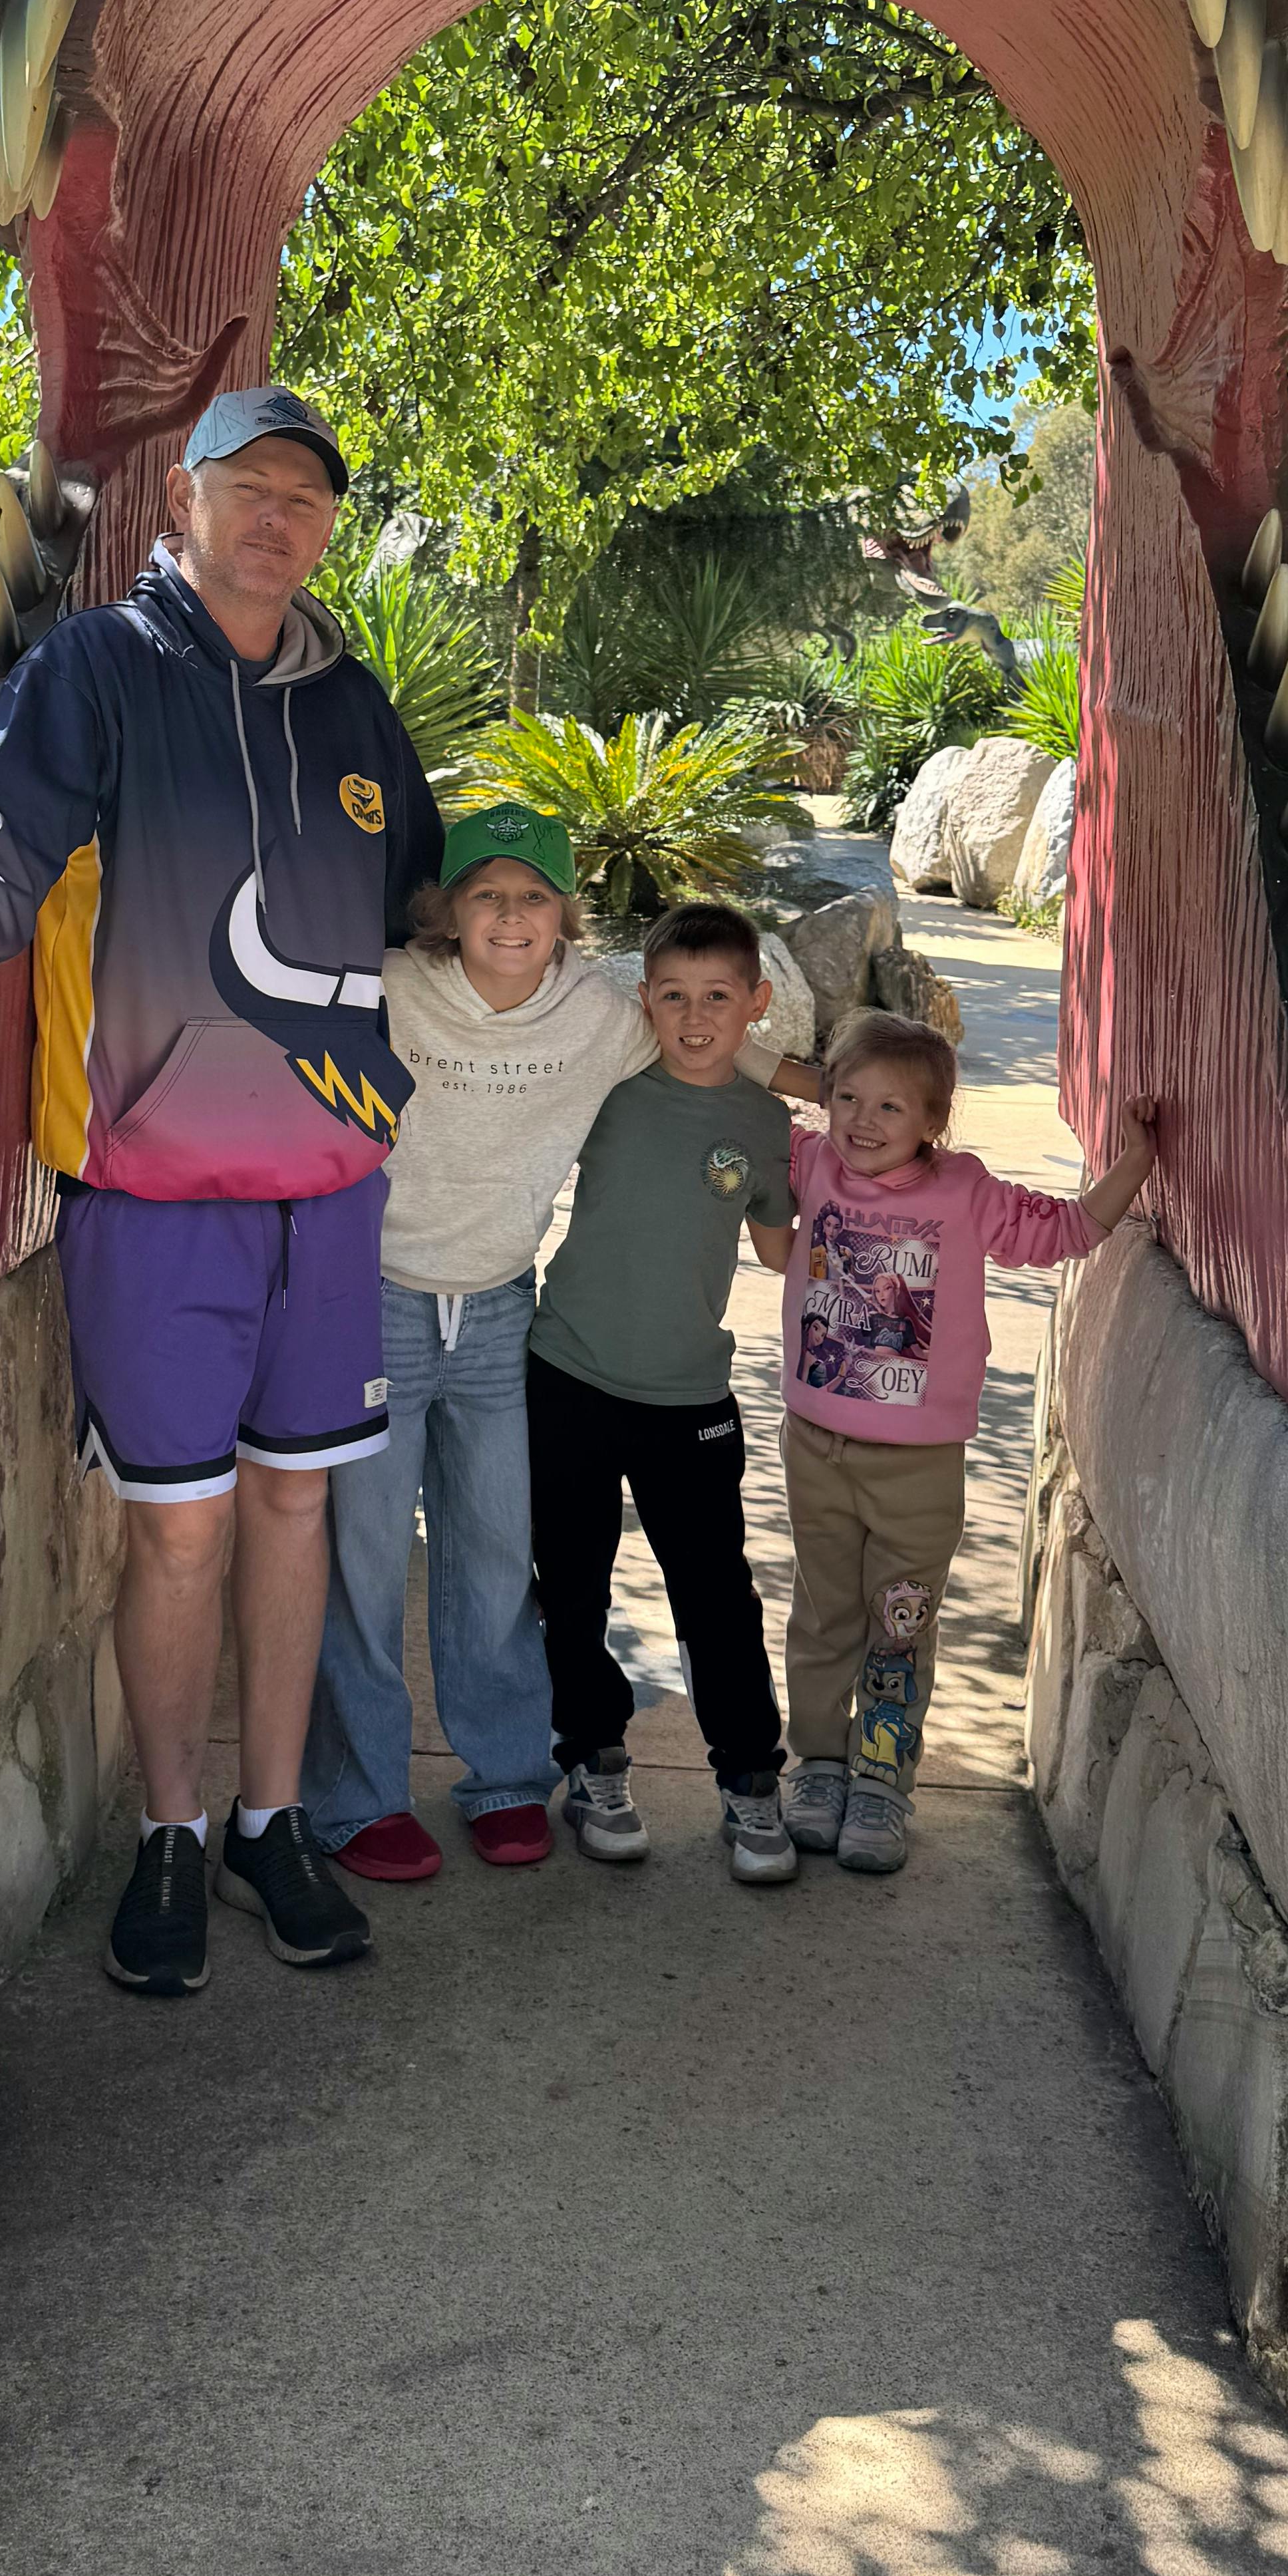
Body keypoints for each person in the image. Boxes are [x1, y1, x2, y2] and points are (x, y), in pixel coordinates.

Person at [0, 384, 437, 2003]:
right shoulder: (99, 671)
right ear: (182, 503)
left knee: (298, 1506)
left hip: (330, 1196)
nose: (278, 516)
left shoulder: (356, 705)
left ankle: (271, 1824)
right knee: (180, 1531)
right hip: (154, 1193)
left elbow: (421, 892)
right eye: (248, 485)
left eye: (307, 497)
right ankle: (170, 1833)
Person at [303, 808, 816, 1882]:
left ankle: (503, 1779)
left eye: (534, 896)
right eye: (487, 894)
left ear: (564, 915)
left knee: (498, 1557)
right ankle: (359, 1798)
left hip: (502, 1310)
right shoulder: (387, 986)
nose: (511, 916)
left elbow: (713, 1041)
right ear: (446, 909)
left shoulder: (601, 1015)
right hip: (376, 1302)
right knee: (364, 1561)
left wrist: (852, 1094)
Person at [771, 1009, 1156, 1878]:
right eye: (847, 1098)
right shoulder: (811, 1161)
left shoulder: (965, 1191)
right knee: (823, 1616)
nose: (863, 1121)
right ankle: (819, 1766)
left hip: (918, 1467)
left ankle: (881, 1780)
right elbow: (738, 1083)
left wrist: (1134, 1160)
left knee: (898, 1625)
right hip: (815, 1447)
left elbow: (1066, 1231)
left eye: (891, 1107)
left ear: (934, 1121)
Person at [523, 900, 802, 1887]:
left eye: (718, 998)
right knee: (572, 1583)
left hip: (690, 1395)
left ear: (756, 1004)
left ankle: (751, 1780)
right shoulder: (607, 1087)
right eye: (674, 996)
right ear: (644, 1000)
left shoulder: (765, 1124)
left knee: (717, 1595)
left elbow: (783, 1250)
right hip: (570, 1373)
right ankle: (594, 1763)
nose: (694, 1018)